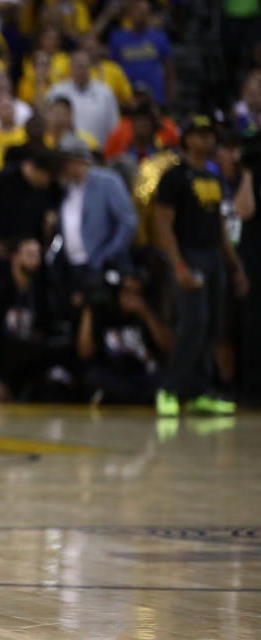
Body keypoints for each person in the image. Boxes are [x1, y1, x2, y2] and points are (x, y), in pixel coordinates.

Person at [153, 116, 250, 417]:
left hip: (213, 258)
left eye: (211, 135)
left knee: (211, 325)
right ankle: (169, 390)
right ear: (187, 139)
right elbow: (162, 225)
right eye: (201, 135)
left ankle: (200, 391)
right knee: (193, 322)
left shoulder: (213, 178)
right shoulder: (173, 177)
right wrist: (178, 265)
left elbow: (220, 226)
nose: (208, 140)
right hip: (188, 255)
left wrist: (236, 267)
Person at [77, 269, 173, 404]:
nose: (131, 298)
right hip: (114, 374)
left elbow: (168, 347)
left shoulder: (147, 313)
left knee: (167, 380)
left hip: (142, 375)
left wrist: (145, 313)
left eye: (136, 293)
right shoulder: (105, 313)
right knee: (93, 377)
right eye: (127, 291)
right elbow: (85, 353)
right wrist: (88, 310)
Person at [56, 134, 137, 286]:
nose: (61, 168)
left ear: (77, 159)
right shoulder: (65, 187)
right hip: (73, 267)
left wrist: (108, 255)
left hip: (101, 266)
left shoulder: (108, 181)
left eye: (63, 162)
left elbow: (128, 222)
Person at [0, 238, 49, 402]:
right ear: (15, 258)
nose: (36, 260)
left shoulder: (37, 291)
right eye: (30, 255)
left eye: (38, 255)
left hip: (22, 363)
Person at [0, 148, 59, 258]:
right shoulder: (5, 177)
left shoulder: (50, 188)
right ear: (33, 168)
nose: (46, 183)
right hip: (4, 251)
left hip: (36, 252)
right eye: (45, 177)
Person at [107, 0, 174, 107]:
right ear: (130, 13)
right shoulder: (117, 37)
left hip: (155, 98)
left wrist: (170, 97)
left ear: (149, 14)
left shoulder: (160, 37)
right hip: (127, 99)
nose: (140, 15)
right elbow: (111, 69)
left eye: (144, 12)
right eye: (137, 11)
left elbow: (169, 70)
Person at [47, 50, 120, 148]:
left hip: (98, 150)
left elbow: (113, 125)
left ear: (90, 67)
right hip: (63, 151)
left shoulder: (105, 92)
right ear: (70, 67)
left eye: (83, 66)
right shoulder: (57, 91)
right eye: (77, 66)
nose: (80, 70)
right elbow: (48, 122)